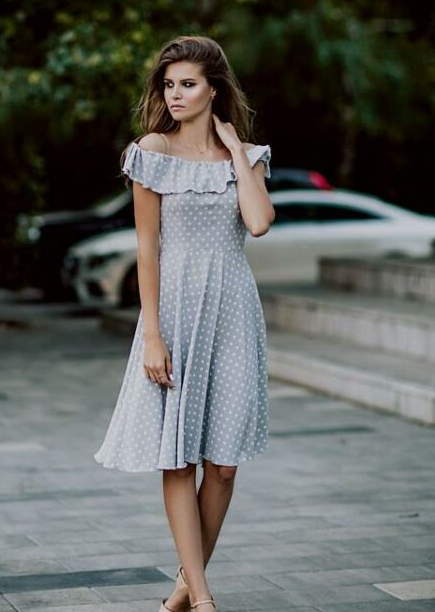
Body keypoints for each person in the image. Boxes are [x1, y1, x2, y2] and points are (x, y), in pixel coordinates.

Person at [94, 35, 275, 612]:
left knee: (222, 466)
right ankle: (201, 598)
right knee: (178, 456)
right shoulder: (151, 151)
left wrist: (235, 149)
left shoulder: (245, 156)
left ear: (213, 90)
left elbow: (259, 222)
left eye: (188, 84)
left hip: (233, 315)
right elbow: (147, 250)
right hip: (172, 313)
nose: (175, 94)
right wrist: (152, 334)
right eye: (169, 84)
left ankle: (182, 586)